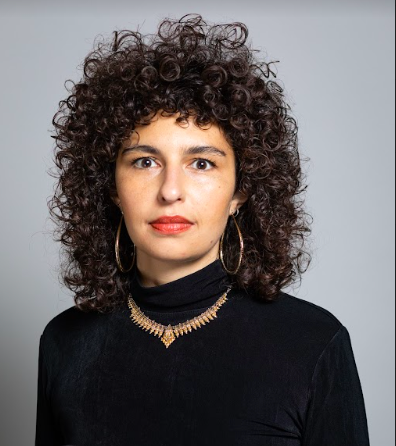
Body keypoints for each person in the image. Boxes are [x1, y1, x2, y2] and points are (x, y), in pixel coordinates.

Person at [35, 14, 370, 446]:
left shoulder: (313, 344)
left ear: (240, 192)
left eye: (201, 163)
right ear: (112, 187)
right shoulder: (64, 343)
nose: (170, 190)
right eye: (145, 161)